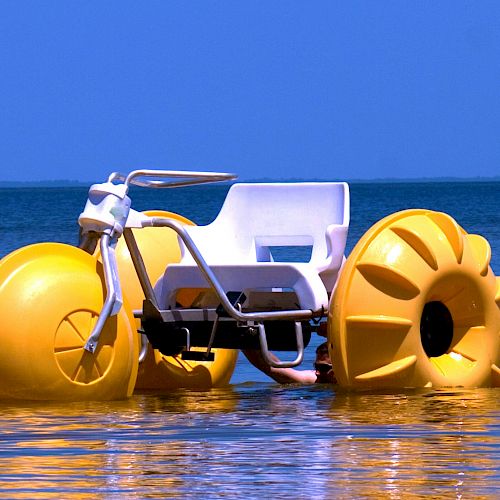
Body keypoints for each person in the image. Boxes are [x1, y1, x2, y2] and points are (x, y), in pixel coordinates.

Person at [242, 341, 337, 384]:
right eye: (316, 367)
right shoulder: (315, 380)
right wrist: (244, 339)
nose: (317, 372)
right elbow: (272, 367)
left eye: (323, 368)